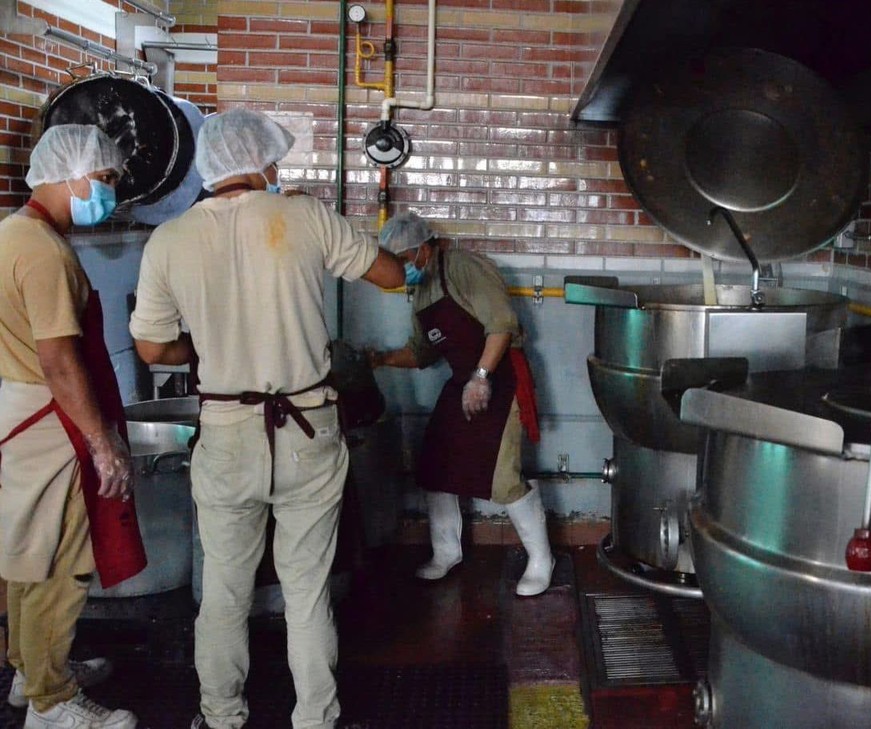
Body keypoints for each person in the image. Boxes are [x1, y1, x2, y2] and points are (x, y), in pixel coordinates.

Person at [129, 108, 404, 729]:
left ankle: (222, 716)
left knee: (224, 593)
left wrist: (205, 348)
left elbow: (151, 348)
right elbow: (390, 275)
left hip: (226, 434)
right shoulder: (302, 215)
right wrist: (327, 222)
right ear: (261, 164)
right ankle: (314, 718)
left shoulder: (169, 238)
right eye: (274, 161)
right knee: (306, 591)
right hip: (307, 429)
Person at [0, 124, 142, 729]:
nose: (107, 191)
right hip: (52, 421)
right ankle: (51, 704)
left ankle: (30, 674)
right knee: (59, 564)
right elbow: (60, 359)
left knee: (26, 555)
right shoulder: (42, 250)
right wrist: (101, 445)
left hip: (21, 410)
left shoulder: (11, 234)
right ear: (70, 173)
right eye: (105, 178)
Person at [369, 211, 553, 597]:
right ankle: (446, 552)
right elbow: (421, 353)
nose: (401, 267)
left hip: (500, 377)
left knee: (503, 477)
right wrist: (382, 358)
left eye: (403, 259)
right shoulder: (420, 290)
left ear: (423, 248)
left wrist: (481, 378)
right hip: (461, 381)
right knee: (435, 465)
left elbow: (502, 324)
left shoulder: (462, 267)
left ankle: (541, 560)